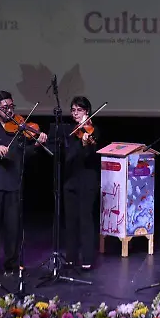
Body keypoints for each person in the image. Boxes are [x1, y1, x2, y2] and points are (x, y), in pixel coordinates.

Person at [0, 90, 48, 275]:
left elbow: (23, 153)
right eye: (5, 107)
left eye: (11, 106)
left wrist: (36, 146)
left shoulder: (19, 126)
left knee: (13, 228)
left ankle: (11, 265)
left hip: (14, 183)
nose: (10, 111)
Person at [55, 96, 100, 270]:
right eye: (73, 110)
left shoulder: (94, 130)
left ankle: (87, 258)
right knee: (71, 221)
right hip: (70, 180)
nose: (75, 113)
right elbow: (67, 156)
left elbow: (90, 155)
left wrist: (85, 143)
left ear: (87, 111)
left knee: (85, 219)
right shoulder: (69, 131)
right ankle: (71, 257)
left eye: (79, 110)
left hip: (87, 180)